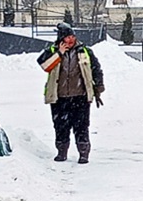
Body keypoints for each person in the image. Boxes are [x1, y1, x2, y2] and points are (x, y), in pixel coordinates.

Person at [38, 24, 104, 163]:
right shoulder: (52, 51)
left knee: (81, 127)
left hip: (80, 97)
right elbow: (45, 66)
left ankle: (83, 153)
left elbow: (96, 70)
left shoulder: (84, 51)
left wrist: (98, 87)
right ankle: (62, 152)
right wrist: (59, 54)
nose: (71, 40)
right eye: (68, 37)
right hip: (59, 97)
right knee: (61, 127)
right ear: (61, 38)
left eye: (73, 36)